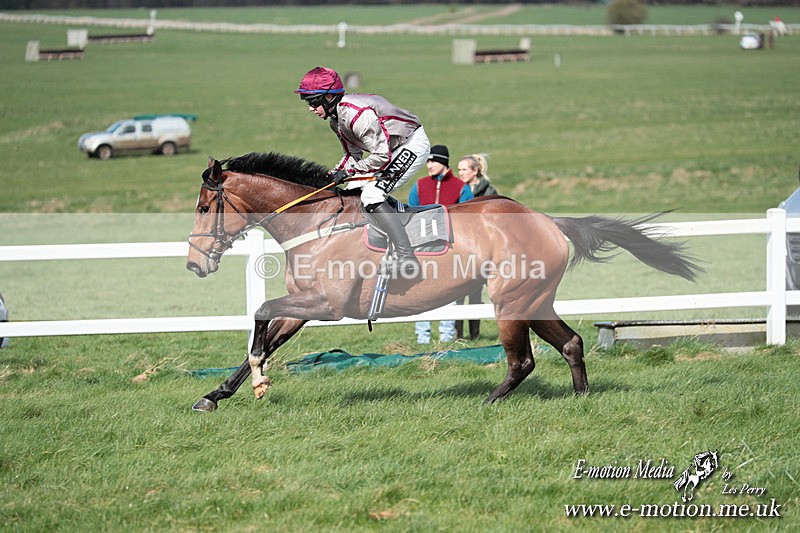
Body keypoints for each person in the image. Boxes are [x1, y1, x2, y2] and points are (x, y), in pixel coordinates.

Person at [295, 66, 431, 278]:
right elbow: (352, 155)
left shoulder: (357, 115)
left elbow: (381, 157)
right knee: (350, 190)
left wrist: (348, 172)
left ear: (329, 97)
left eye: (313, 101)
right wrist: (331, 176)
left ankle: (407, 257)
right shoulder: (336, 120)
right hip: (390, 149)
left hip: (411, 144)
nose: (310, 108)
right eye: (307, 102)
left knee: (372, 194)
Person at [408, 145, 474, 344]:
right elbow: (410, 215)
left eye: (433, 161)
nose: (429, 165)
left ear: (443, 162)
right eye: (427, 161)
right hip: (421, 248)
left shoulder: (461, 188)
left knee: (448, 291)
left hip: (450, 249)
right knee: (420, 290)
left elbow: (468, 219)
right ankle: (422, 338)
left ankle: (446, 337)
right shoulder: (419, 186)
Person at [454, 153, 500, 339]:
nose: (461, 173)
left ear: (475, 171)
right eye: (459, 170)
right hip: (462, 246)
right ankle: (457, 335)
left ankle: (474, 335)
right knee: (457, 293)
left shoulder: (489, 192)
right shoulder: (458, 189)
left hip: (481, 248)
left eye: (464, 169)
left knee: (475, 293)